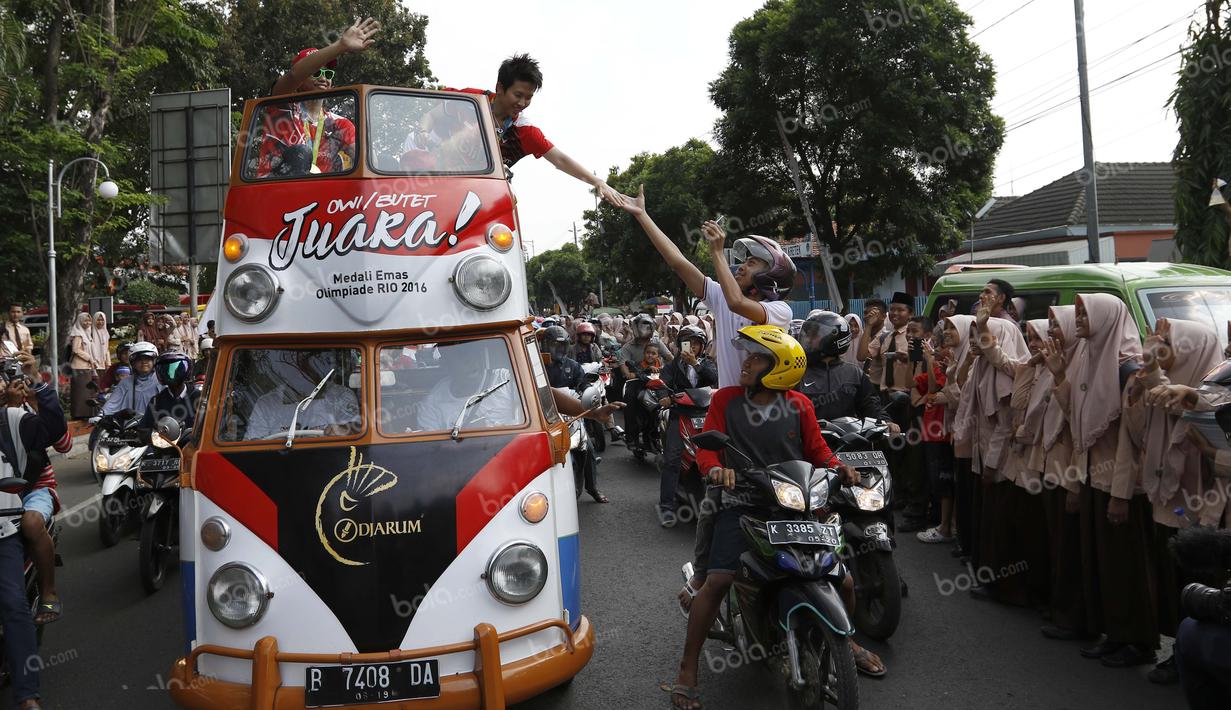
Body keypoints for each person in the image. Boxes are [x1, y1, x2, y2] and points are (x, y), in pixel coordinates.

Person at [666, 326, 877, 709]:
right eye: (748, 356)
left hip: (795, 504)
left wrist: (839, 467)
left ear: (780, 366)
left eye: (756, 357)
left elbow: (818, 450)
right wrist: (716, 469)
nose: (746, 363)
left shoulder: (799, 405)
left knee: (842, 579)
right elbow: (707, 448)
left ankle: (845, 639)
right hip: (742, 501)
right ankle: (687, 669)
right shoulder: (726, 400)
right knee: (718, 581)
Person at [614, 187, 795, 612]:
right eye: (740, 260)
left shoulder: (777, 312)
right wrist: (642, 215)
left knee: (805, 503)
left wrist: (716, 252)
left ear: (770, 276)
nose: (740, 265)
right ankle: (700, 579)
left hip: (776, 415)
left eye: (750, 262)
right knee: (716, 506)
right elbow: (677, 262)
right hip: (733, 416)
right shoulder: (723, 294)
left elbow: (735, 299)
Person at [1048, 293, 1156, 667]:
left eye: (1084, 313)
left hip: (1119, 485)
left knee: (1124, 565)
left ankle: (1136, 640)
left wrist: (1121, 495)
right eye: (1076, 313)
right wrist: (1077, 484)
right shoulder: (1086, 357)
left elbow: (1131, 440)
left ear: (1107, 319)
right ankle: (1113, 632)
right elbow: (1076, 420)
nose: (1078, 319)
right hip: (1093, 479)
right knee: (1102, 563)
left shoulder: (1129, 368)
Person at [1113, 318, 1222, 683]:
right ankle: (1181, 651)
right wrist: (1150, 374)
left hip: (1199, 506)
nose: (1161, 350)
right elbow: (1140, 430)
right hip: (1166, 499)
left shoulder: (1214, 393)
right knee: (1173, 579)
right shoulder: (1155, 386)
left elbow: (1194, 410)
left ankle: (1192, 657)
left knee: (1198, 581)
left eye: (1169, 344)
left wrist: (1165, 382)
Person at [439, 54, 622, 201]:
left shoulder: (525, 132)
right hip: (437, 179)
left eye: (529, 97)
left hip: (479, 196)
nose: (522, 103)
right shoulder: (473, 101)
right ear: (500, 88)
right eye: (518, 95)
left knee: (509, 198)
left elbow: (560, 160)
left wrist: (597, 181)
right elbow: (432, 107)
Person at [0, 349, 67, 710]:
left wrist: (38, 384)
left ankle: (27, 694)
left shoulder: (13, 418)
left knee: (12, 604)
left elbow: (57, 433)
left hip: (8, 516)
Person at [861, 292, 928, 531]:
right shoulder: (886, 336)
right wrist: (868, 327)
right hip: (886, 400)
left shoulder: (915, 338)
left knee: (912, 455)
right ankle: (897, 495)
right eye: (893, 310)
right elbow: (862, 356)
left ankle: (915, 503)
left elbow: (921, 369)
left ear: (910, 313)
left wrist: (907, 356)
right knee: (890, 451)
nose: (896, 314)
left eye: (901, 310)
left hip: (909, 400)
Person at [656, 326, 718, 526]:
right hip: (680, 415)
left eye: (696, 343)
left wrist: (697, 364)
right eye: (687, 343)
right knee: (672, 459)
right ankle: (666, 507)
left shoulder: (708, 364)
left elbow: (715, 379)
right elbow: (662, 385)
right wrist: (664, 396)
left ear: (702, 346)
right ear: (680, 345)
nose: (692, 347)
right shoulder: (672, 367)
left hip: (707, 416)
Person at [795, 311, 889, 423]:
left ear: (832, 338)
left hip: (848, 439)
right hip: (809, 438)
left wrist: (885, 422)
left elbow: (871, 405)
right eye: (807, 335)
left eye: (814, 335)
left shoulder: (854, 373)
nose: (808, 340)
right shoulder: (798, 372)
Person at [138, 353, 199, 434]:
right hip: (165, 445)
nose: (171, 375)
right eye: (166, 370)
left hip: (196, 445)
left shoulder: (199, 397)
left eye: (176, 370)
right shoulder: (156, 401)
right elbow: (144, 429)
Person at [101, 341, 163, 417]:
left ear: (154, 361)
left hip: (157, 425)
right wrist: (100, 416)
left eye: (147, 359)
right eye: (139, 359)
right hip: (130, 425)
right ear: (133, 363)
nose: (144, 362)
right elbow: (112, 403)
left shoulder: (161, 380)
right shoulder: (125, 382)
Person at [66, 312, 99, 419]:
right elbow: (76, 350)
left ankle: (86, 413)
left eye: (89, 320)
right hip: (79, 366)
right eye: (85, 320)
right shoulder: (78, 334)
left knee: (86, 392)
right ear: (80, 321)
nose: (88, 322)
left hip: (86, 366)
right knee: (80, 392)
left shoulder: (87, 333)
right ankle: (78, 414)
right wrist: (89, 358)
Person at [542, 326, 584, 391]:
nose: (560, 348)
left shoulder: (573, 366)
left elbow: (581, 382)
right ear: (545, 345)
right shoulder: (537, 366)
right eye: (555, 344)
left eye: (563, 345)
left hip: (569, 400)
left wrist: (586, 386)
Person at [91, 311, 111, 379]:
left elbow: (106, 349)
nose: (100, 322)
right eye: (98, 320)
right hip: (93, 364)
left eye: (102, 320)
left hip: (103, 363)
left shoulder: (105, 333)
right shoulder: (90, 332)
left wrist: (108, 363)